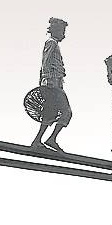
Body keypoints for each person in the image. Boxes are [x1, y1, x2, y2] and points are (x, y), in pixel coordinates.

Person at [32, 18, 71, 152]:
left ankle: (38, 140)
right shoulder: (51, 43)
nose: (63, 34)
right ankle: (50, 139)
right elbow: (45, 62)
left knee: (50, 113)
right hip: (52, 84)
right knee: (66, 112)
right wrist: (47, 81)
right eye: (62, 31)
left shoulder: (54, 44)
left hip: (54, 83)